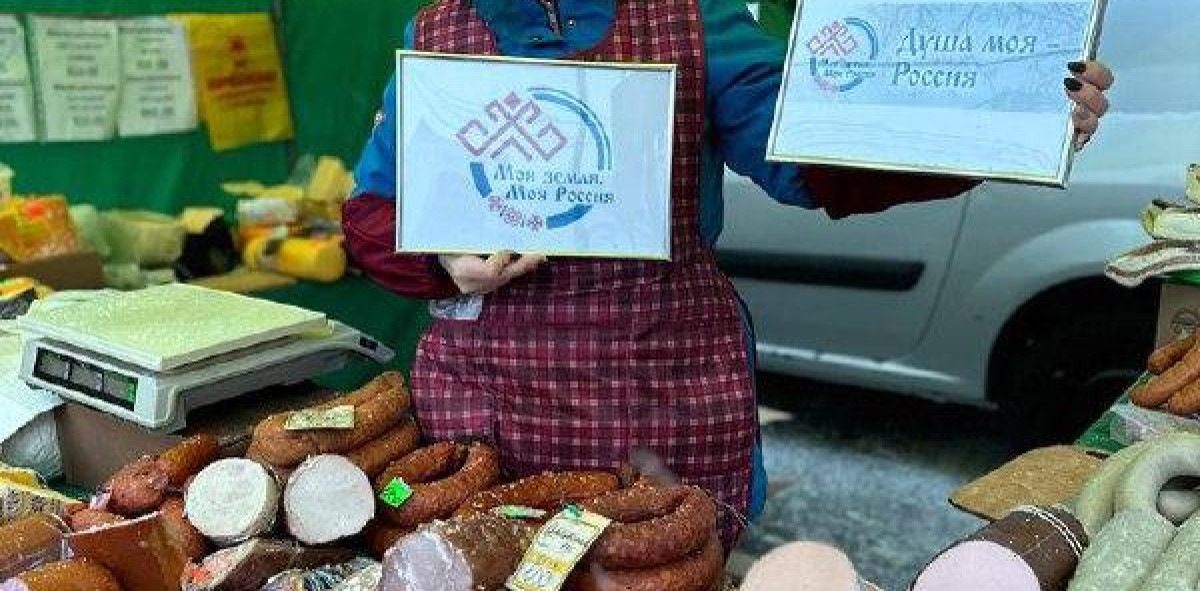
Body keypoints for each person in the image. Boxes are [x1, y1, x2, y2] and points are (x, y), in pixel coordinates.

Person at [343, 0, 1112, 544]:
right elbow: (372, 214)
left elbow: (813, 156)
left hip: (659, 387)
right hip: (490, 400)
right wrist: (441, 258)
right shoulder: (437, 32)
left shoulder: (691, 16)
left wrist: (1007, 122)